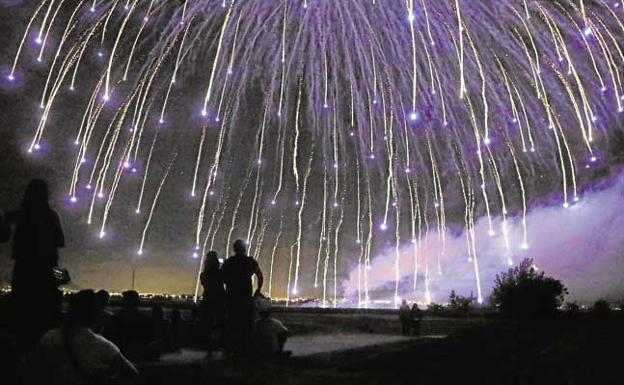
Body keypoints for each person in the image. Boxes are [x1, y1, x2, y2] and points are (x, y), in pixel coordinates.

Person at [28, 290, 138, 385]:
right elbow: (131, 373)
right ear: (94, 314)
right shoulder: (99, 344)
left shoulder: (48, 338)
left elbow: (33, 371)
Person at [9, 179, 66, 353]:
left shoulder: (19, 215)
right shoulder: (51, 215)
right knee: (47, 323)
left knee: (23, 324)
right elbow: (60, 242)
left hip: (24, 275)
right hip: (47, 276)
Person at [221, 239, 264, 356]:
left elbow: (221, 277)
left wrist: (228, 286)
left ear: (234, 249)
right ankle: (245, 350)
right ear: (244, 248)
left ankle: (231, 350)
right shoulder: (250, 261)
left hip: (232, 297)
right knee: (247, 324)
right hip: (245, 297)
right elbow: (260, 276)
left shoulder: (229, 262)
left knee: (232, 324)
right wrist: (258, 290)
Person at [106, 290, 154, 361]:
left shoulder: (116, 318)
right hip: (136, 352)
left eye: (123, 299)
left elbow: (110, 336)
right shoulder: (144, 319)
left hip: (121, 352)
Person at [199, 251, 225, 354]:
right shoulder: (220, 273)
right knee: (220, 323)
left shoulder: (203, 275)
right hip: (219, 299)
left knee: (208, 323)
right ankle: (217, 343)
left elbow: (204, 284)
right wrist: (220, 260)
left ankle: (210, 346)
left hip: (207, 298)